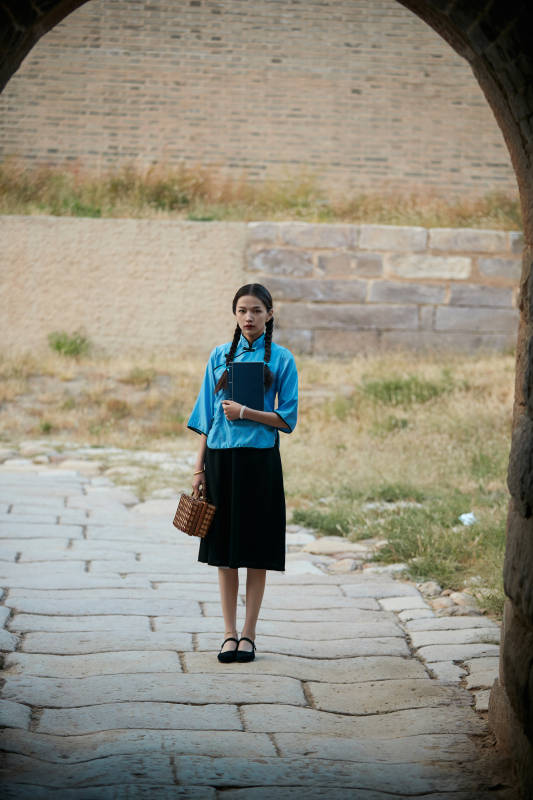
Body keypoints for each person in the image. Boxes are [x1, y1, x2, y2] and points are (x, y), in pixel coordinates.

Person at [187, 283, 298, 663]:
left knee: (256, 550)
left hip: (260, 461)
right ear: (235, 315)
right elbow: (206, 415)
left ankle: (249, 635)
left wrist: (246, 413)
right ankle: (228, 634)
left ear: (269, 314)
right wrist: (198, 469)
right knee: (224, 553)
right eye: (242, 311)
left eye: (256, 311)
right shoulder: (219, 354)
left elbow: (287, 418)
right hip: (220, 461)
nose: (249, 317)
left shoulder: (282, 359)